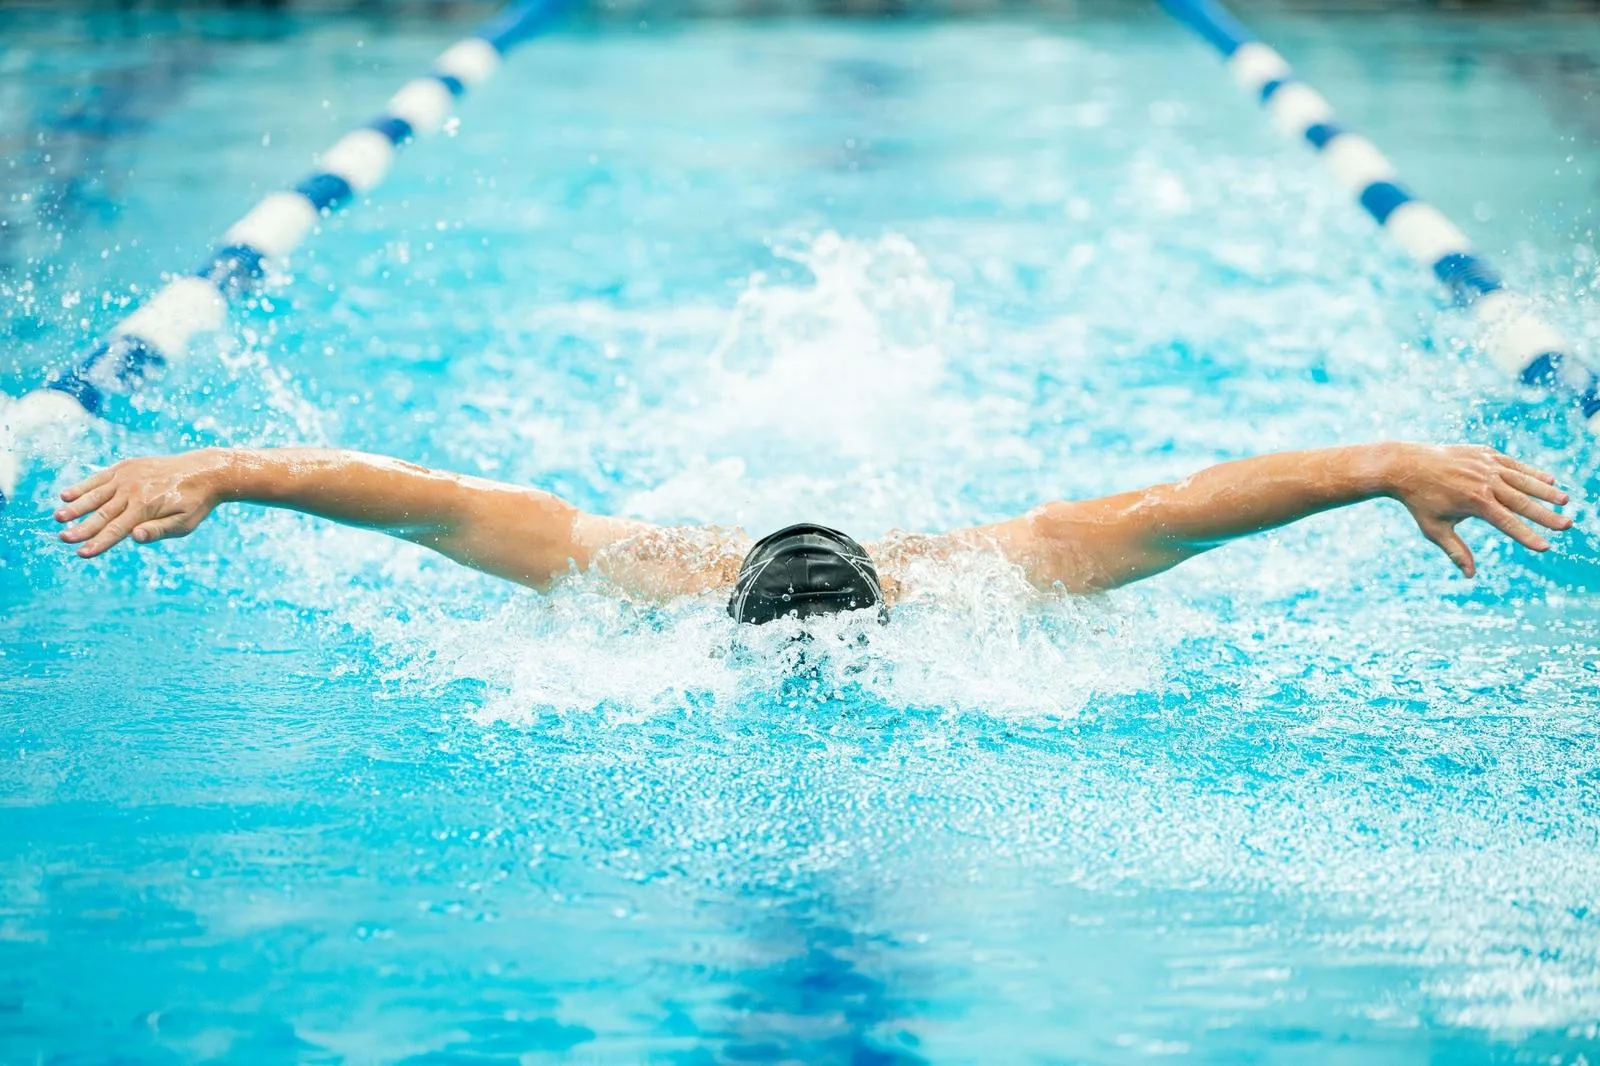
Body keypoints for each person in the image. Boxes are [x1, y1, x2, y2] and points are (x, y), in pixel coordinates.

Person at [53, 441, 1571, 624]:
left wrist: (234, 467)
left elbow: (441, 505)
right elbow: (1183, 514)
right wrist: (1379, 463)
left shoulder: (661, 579)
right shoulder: (969, 581)